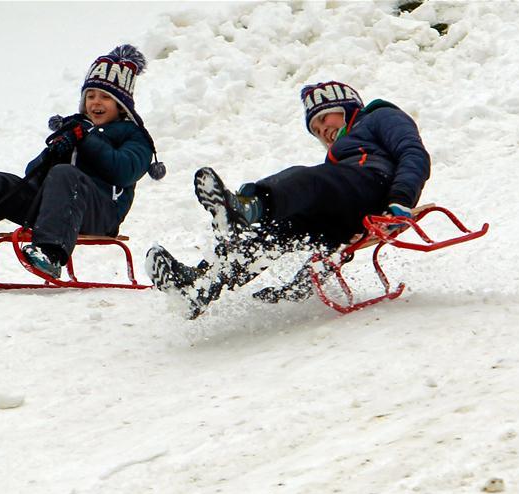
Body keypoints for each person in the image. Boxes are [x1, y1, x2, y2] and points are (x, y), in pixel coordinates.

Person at [146, 80, 431, 318]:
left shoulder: (380, 117)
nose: (323, 131)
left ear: (347, 107)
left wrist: (400, 199)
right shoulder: (338, 162)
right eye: (316, 130)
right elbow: (336, 248)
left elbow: (413, 153)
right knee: (273, 233)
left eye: (324, 118)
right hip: (346, 211)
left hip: (373, 188)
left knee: (307, 179)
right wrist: (298, 288)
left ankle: (245, 208)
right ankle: (199, 287)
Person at [0, 44, 164, 277]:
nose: (96, 103)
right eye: (91, 96)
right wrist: (54, 151)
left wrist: (85, 141)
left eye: (105, 98)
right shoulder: (75, 128)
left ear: (121, 106)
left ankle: (50, 253)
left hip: (100, 214)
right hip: (53, 210)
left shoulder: (136, 137)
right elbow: (32, 174)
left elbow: (124, 170)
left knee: (65, 174)